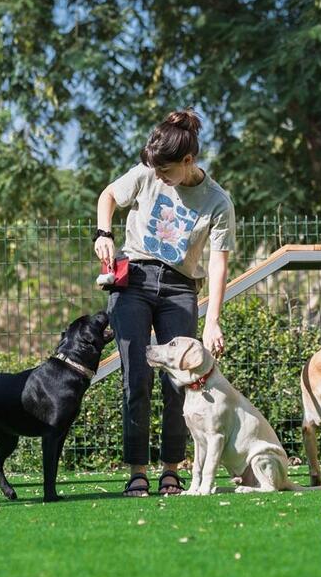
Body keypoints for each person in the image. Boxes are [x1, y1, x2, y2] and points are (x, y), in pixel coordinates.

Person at [94, 109, 237, 496]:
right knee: (136, 377)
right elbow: (109, 195)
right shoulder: (147, 171)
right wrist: (103, 233)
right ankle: (137, 471)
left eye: (166, 171)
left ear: (188, 160)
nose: (158, 177)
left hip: (180, 287)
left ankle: (171, 471)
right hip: (134, 281)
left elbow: (218, 264)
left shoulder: (217, 201)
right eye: (155, 170)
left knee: (179, 382)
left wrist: (213, 319)